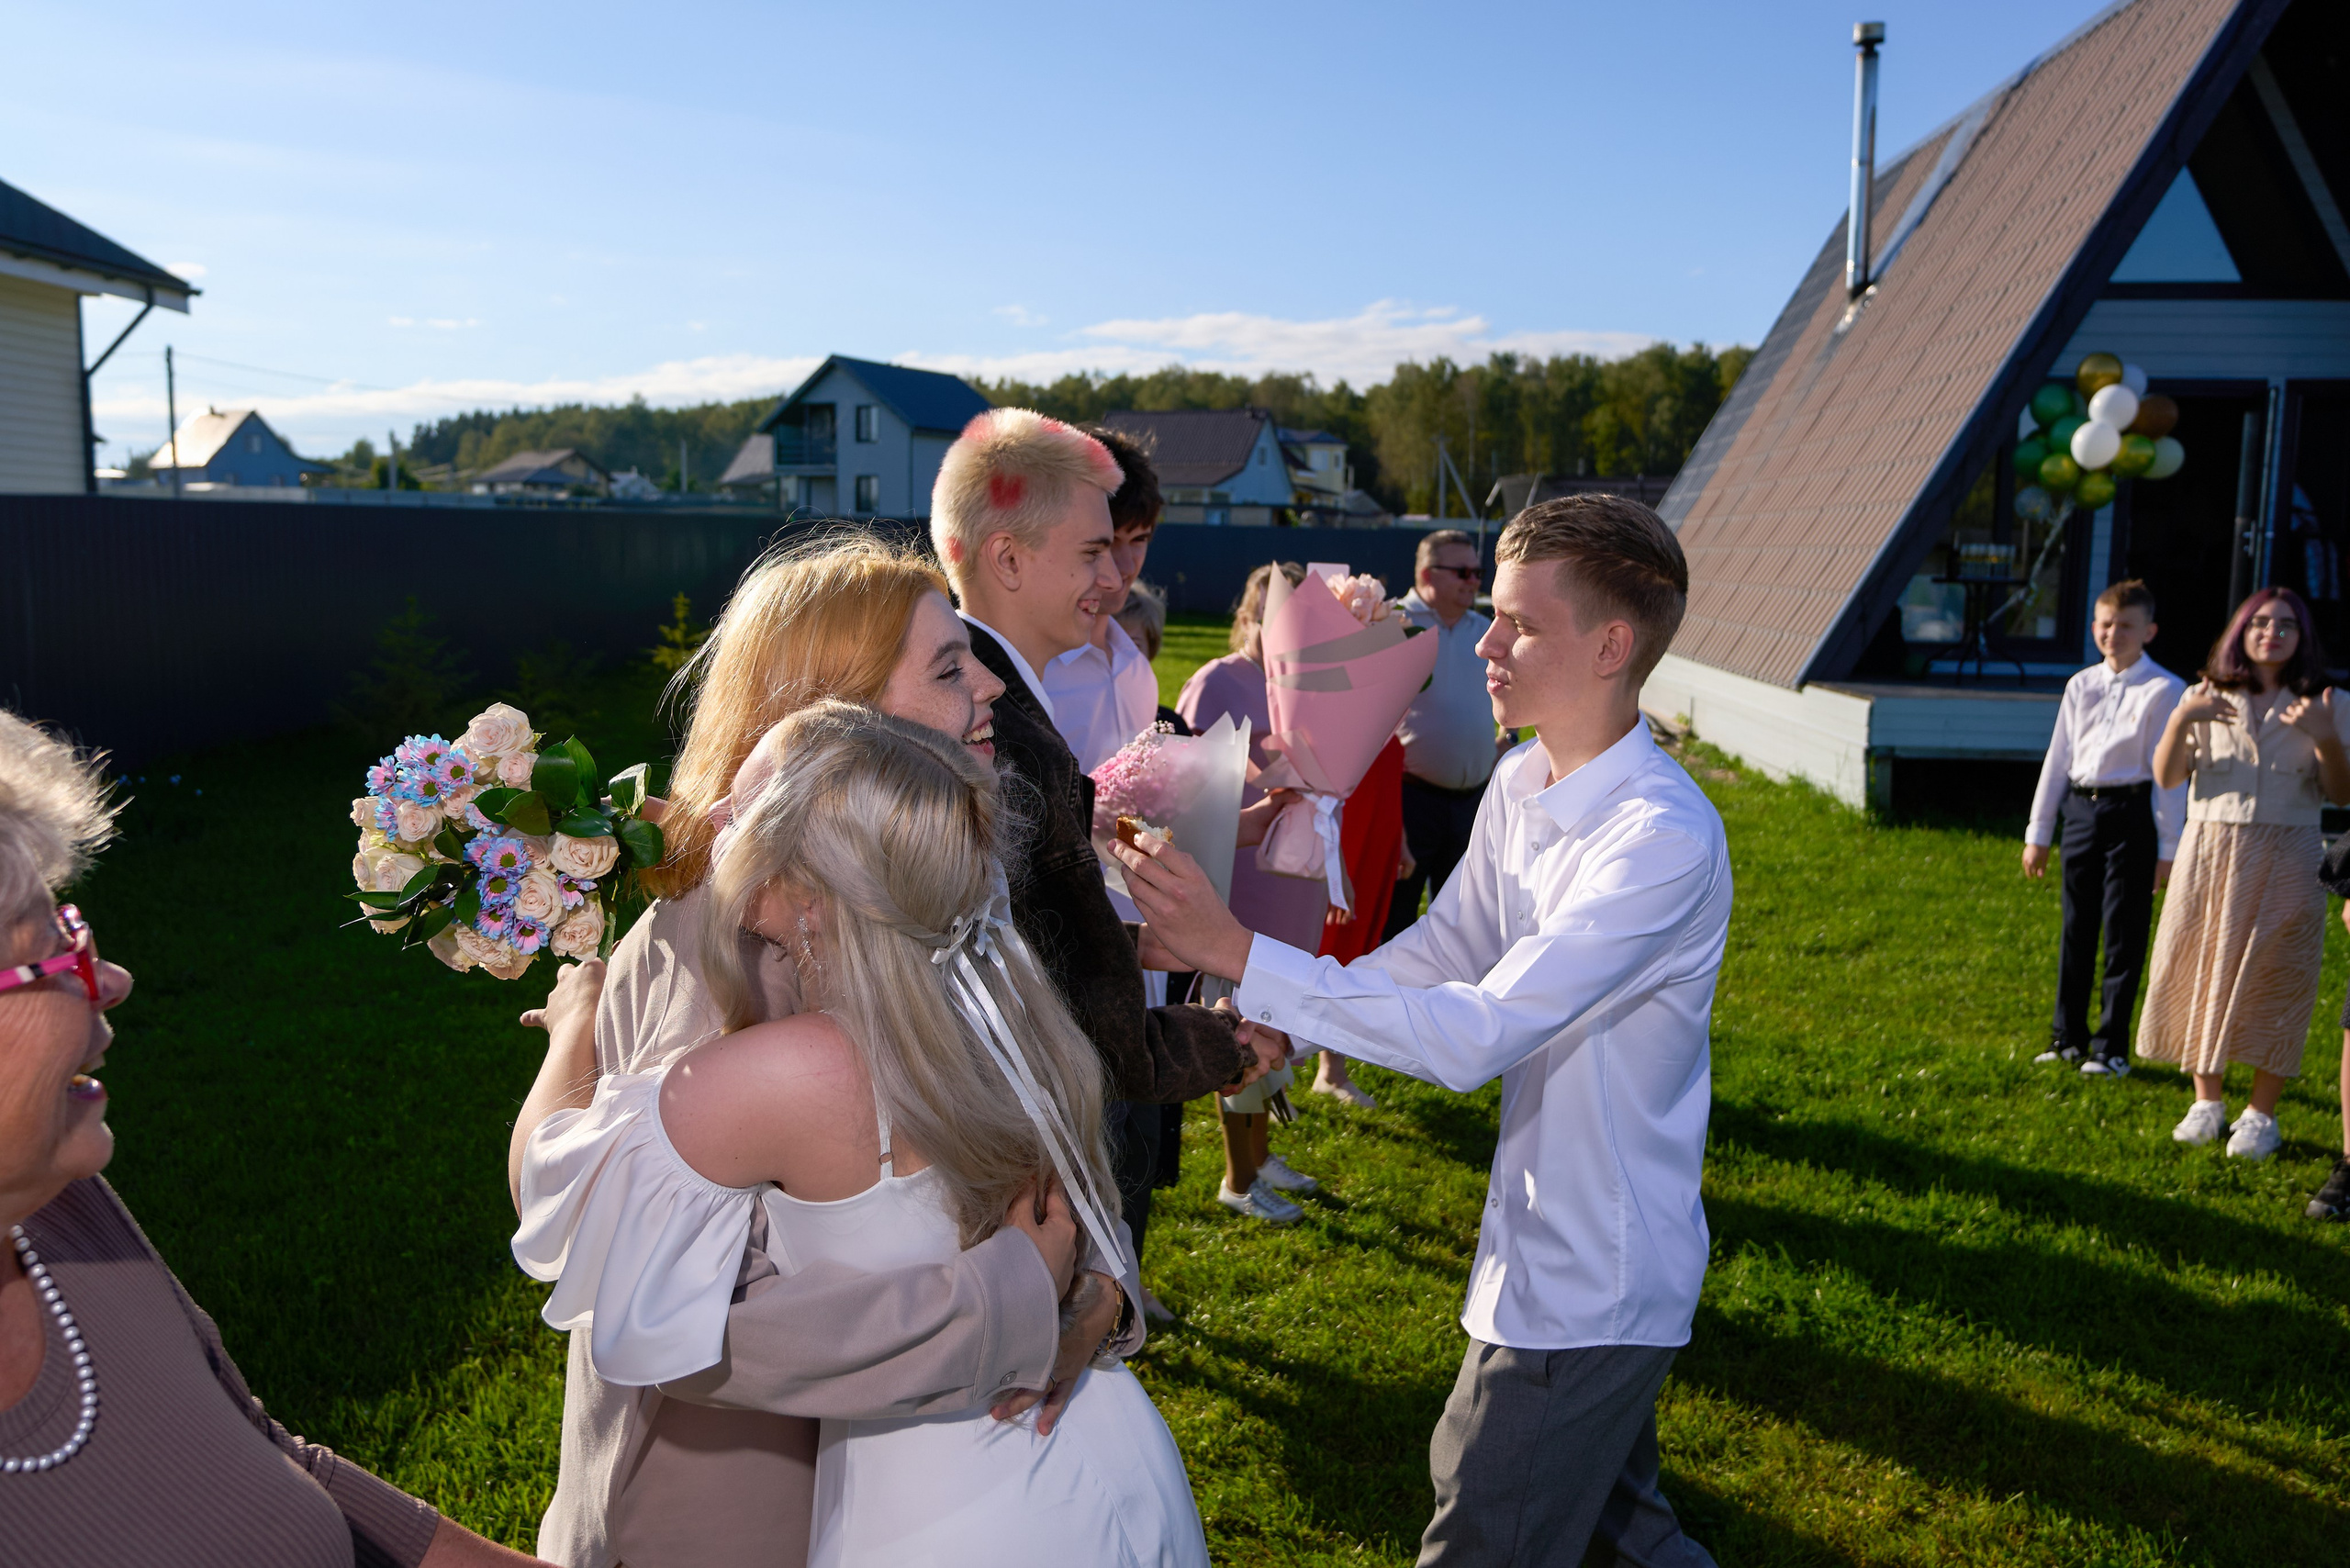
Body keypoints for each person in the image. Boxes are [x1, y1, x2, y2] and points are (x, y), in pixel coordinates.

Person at [1120, 494, 1729, 1568]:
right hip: (1552, 1245)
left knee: (1484, 1525)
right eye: (1486, 614)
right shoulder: (1523, 773)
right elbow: (1445, 950)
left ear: (1611, 645)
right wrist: (1282, 1013)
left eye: (1516, 625)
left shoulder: (1659, 839)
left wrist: (1240, 953)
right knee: (1624, 1536)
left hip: (1588, 1272)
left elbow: (1476, 1031)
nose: (1480, 642)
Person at [510, 536, 1107, 1568]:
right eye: (947, 665)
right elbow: (688, 1314)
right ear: (830, 717)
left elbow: (1036, 1139)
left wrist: (1094, 1288)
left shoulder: (939, 897)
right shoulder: (718, 938)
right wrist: (1015, 1302)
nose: (993, 684)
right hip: (746, 1512)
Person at [0, 710, 546, 1566]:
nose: (110, 979)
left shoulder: (61, 1207)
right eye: (54, 950)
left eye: (80, 929)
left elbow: (257, 1451)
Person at [928, 411, 1282, 1171]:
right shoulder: (993, 730)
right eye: (1093, 552)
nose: (1115, 578)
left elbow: (1023, 927)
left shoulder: (995, 704)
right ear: (1008, 559)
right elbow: (1045, 984)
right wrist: (1221, 1043)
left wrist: (1138, 943)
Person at [2142, 587, 2350, 1160]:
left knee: (2278, 977)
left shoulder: (2327, 702)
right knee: (2201, 966)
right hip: (2210, 849)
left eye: (2286, 624)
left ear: (2302, 637)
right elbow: (2165, 777)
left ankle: (2261, 1116)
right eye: (2259, 623)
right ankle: (2206, 1102)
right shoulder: (2203, 695)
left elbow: (2342, 793)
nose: (2272, 633)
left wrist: (2326, 736)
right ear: (2240, 632)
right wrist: (2184, 716)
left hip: (2290, 851)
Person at [1177, 562, 1326, 1225]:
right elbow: (1184, 799)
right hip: (1238, 889)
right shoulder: (1217, 682)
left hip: (1294, 888)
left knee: (1275, 1031)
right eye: (1277, 616)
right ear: (1250, 615)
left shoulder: (1314, 687)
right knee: (1238, 1027)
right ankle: (1237, 1180)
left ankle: (1261, 1158)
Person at [2021, 579, 2186, 1076]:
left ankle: (2110, 1046)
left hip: (2132, 814)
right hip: (2081, 811)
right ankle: (2066, 1037)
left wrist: (2168, 847)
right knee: (2077, 926)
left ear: (2149, 631)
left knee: (2123, 929)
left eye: (2126, 625)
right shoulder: (2081, 685)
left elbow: (2168, 778)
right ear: (2094, 627)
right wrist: (2038, 833)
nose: (2114, 633)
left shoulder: (2165, 690)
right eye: (2106, 624)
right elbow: (2058, 758)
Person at [1384, 529, 1503, 943]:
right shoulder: (1391, 625)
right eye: (1464, 572)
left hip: (1474, 802)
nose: (1474, 581)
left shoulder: (1486, 630)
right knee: (1395, 917)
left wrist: (1506, 735)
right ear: (1427, 575)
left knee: (1460, 926)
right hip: (1409, 803)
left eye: (1478, 571)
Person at [1040, 424, 1163, 775]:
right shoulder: (1032, 675)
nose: (1123, 568)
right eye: (1104, 545)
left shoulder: (1136, 669)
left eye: (1139, 539)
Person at [1311, 734, 1409, 1107]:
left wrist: (1401, 839)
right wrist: (1334, 867)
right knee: (1329, 946)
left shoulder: (1385, 706)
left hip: (1378, 838)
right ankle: (1280, 1072)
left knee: (1358, 950)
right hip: (1344, 839)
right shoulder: (1339, 711)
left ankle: (1333, 1067)